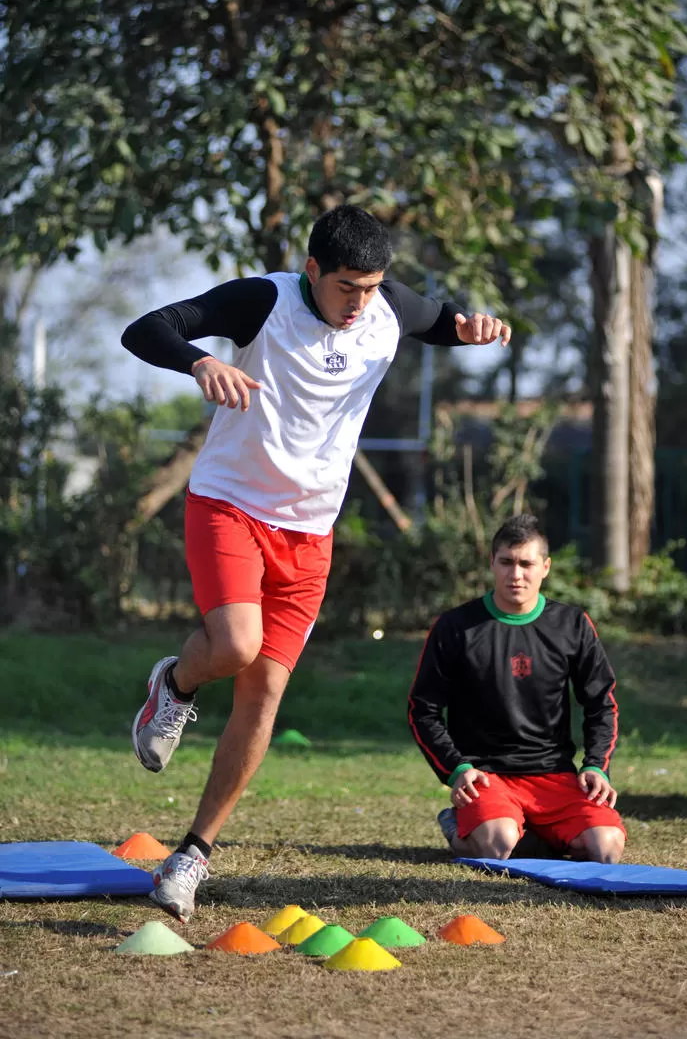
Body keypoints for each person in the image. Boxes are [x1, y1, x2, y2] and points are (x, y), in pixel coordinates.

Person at [121, 204, 512, 922]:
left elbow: (442, 321)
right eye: (345, 289)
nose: (359, 303)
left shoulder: (384, 305)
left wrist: (471, 327)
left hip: (311, 532)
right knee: (235, 647)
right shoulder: (262, 300)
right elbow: (146, 328)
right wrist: (201, 360)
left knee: (264, 694)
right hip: (229, 505)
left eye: (371, 288)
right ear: (312, 271)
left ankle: (192, 854)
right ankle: (174, 683)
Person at [408, 513, 626, 864]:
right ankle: (462, 826)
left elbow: (602, 703)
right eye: (506, 562)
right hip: (486, 775)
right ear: (492, 562)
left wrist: (597, 765)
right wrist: (457, 769)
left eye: (527, 563)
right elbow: (423, 708)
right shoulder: (455, 626)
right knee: (497, 845)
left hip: (555, 775)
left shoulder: (573, 625)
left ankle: (532, 830)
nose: (516, 574)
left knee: (606, 848)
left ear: (546, 567)